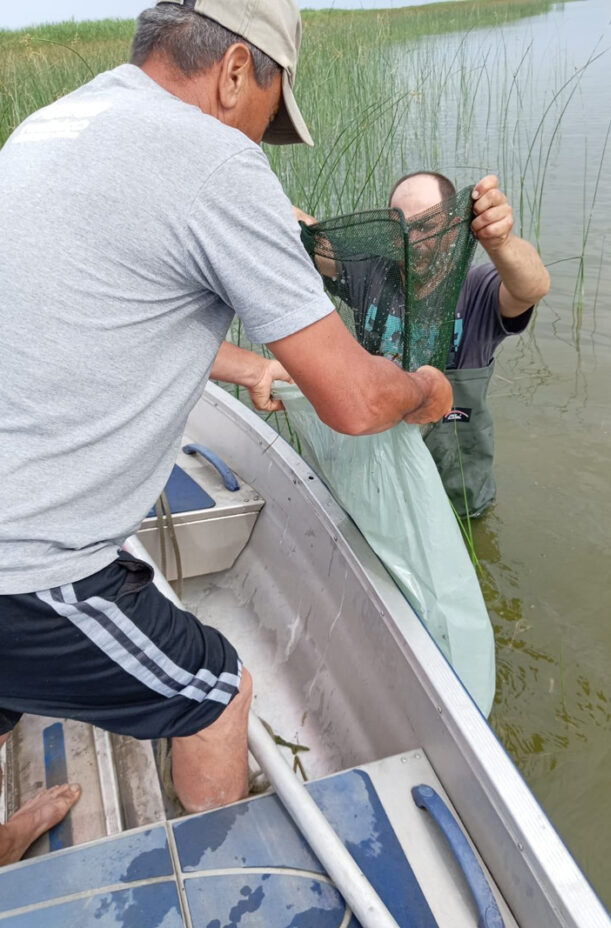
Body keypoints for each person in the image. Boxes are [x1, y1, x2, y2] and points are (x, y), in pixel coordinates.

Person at [0, 0, 452, 866]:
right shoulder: (213, 161)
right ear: (237, 69)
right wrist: (426, 388)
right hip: (25, 568)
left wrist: (249, 367)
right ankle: (225, 883)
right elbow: (356, 401)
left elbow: (107, 314)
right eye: (266, 118)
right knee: (217, 694)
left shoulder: (54, 125)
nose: (257, 145)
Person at [294, 171, 550, 517]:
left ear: (453, 227)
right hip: (381, 478)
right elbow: (308, 235)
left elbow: (533, 286)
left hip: (456, 488)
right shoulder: (369, 273)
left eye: (426, 226)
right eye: (402, 228)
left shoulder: (477, 288)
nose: (412, 240)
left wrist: (500, 242)